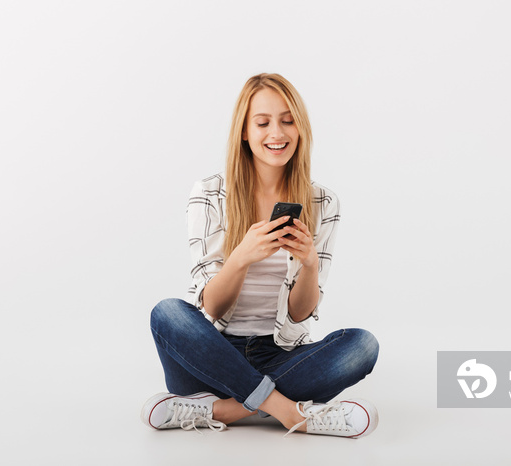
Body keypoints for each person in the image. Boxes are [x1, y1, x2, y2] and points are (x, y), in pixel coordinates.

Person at [141, 73, 379, 438]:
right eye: (263, 122)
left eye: (287, 121)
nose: (277, 133)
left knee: (362, 345)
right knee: (167, 313)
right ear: (244, 131)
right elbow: (212, 310)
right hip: (212, 354)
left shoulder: (322, 202)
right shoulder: (208, 194)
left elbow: (300, 314)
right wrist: (240, 258)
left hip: (279, 353)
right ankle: (289, 412)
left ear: (300, 129)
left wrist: (310, 264)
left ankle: (221, 410)